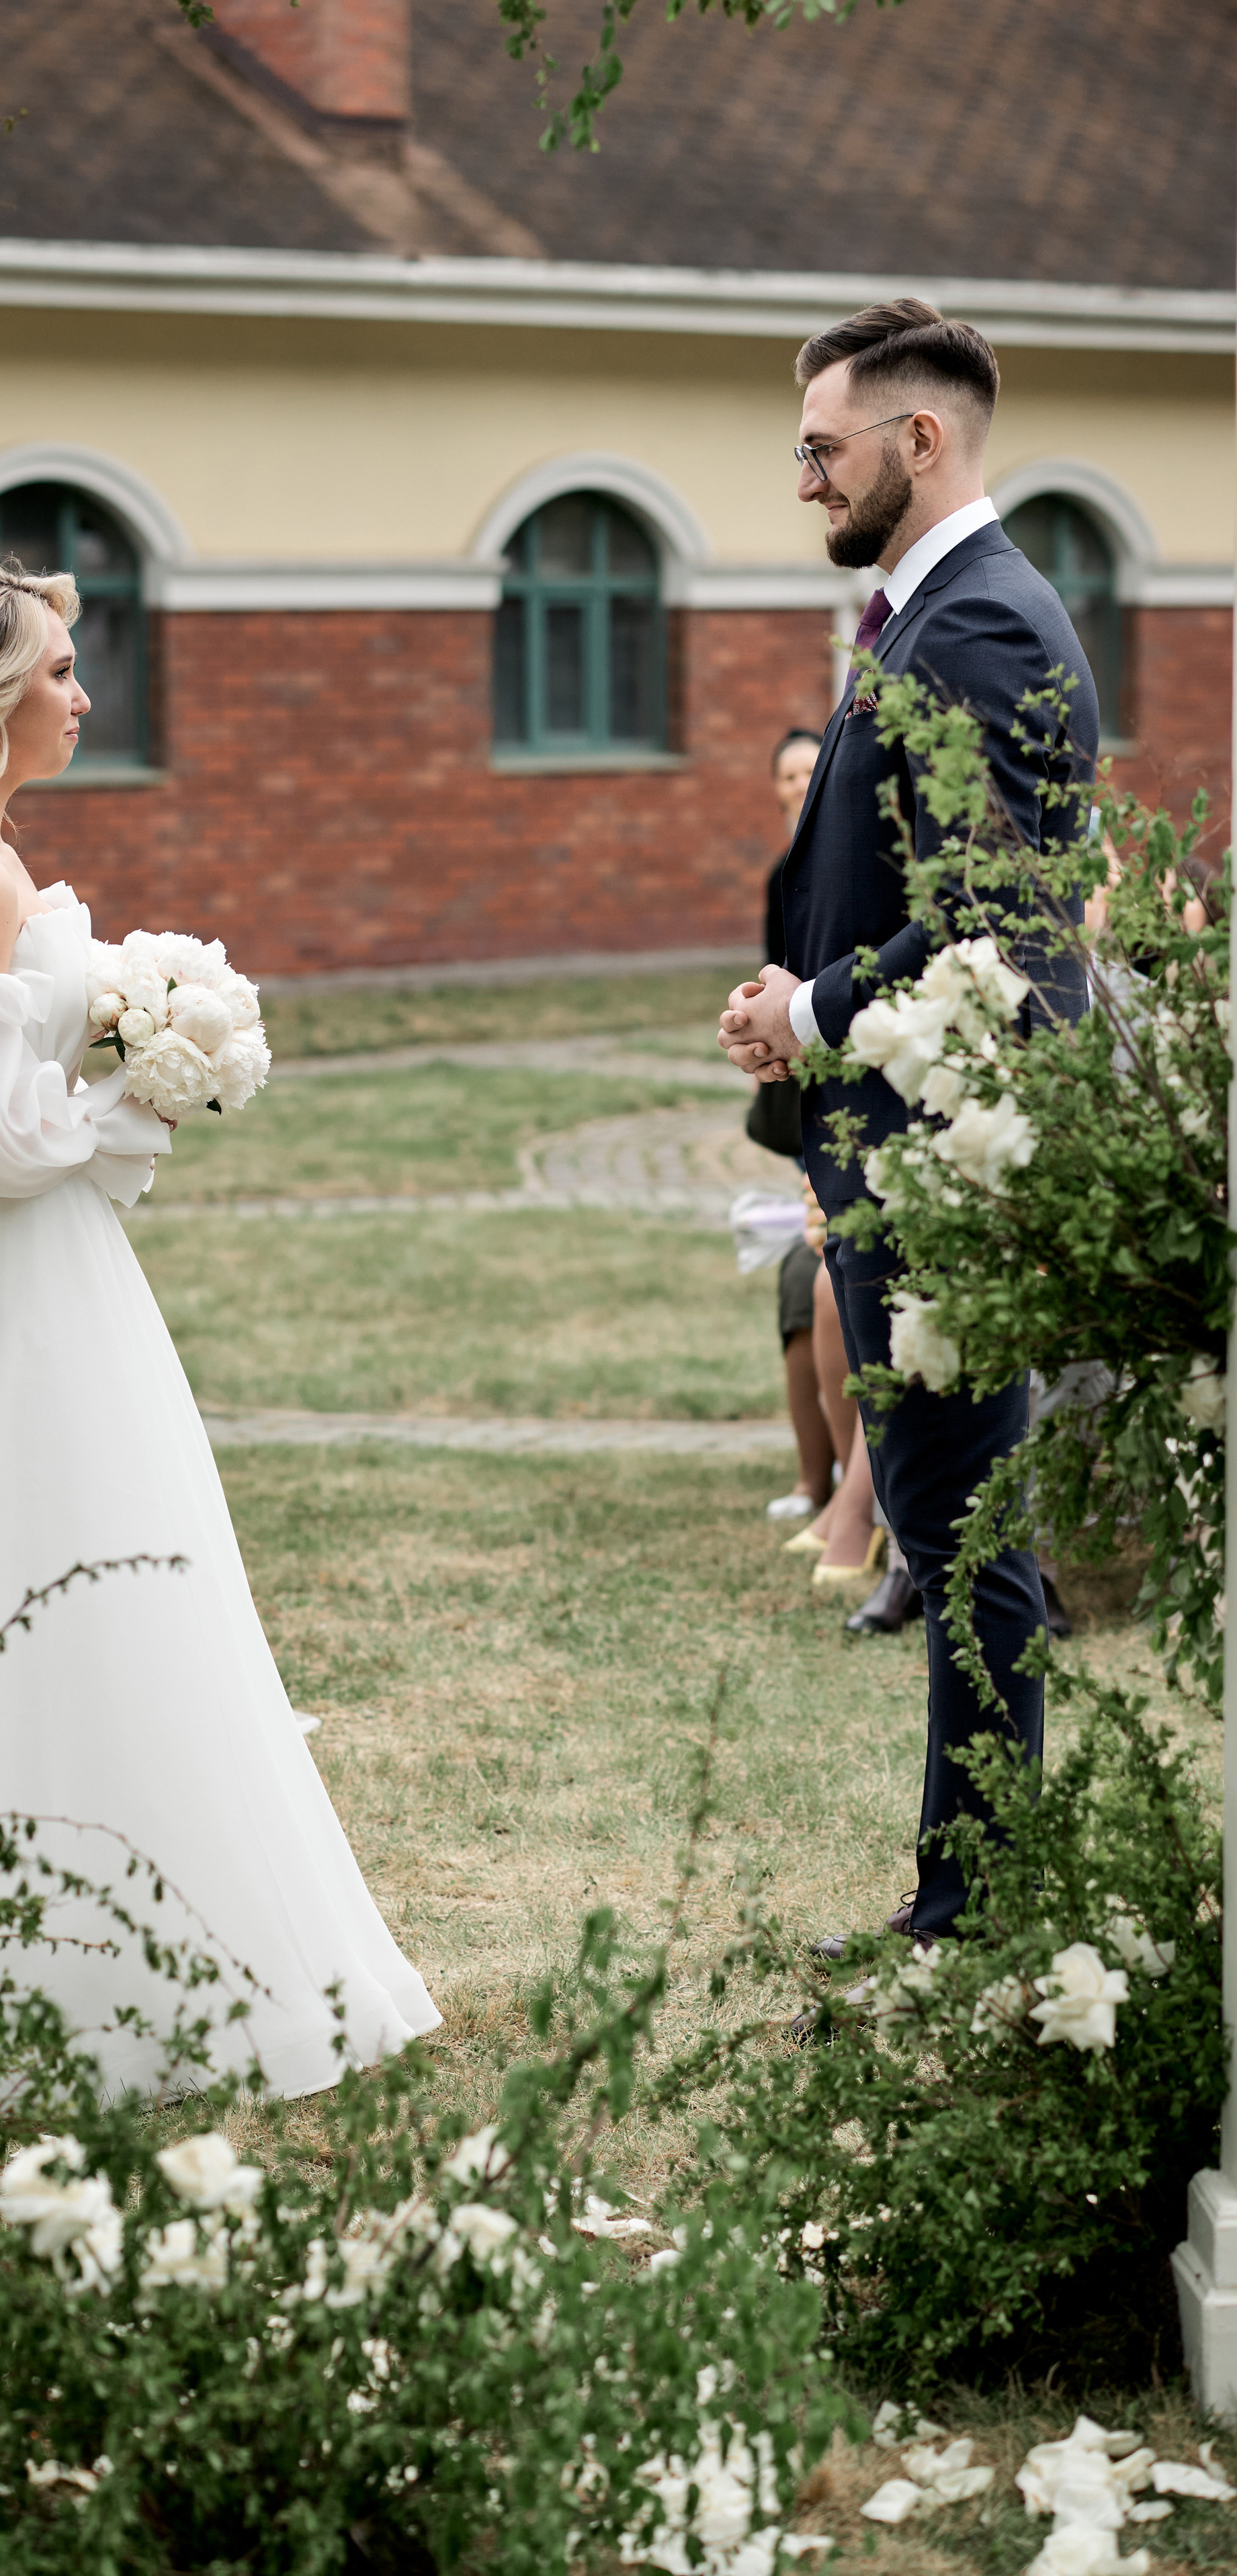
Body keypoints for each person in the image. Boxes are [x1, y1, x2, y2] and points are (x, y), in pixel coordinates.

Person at [0, 559, 439, 2099]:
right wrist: (141, 1082)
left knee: (42, 1574)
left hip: (26, 1276)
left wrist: (130, 1045)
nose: (83, 693)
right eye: (58, 670)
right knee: (41, 1568)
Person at [717, 298, 1095, 1948]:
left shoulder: (981, 627)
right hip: (887, 1131)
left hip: (945, 1151)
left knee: (961, 1535)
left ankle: (980, 1898)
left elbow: (1000, 933)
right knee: (947, 1528)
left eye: (822, 447)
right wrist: (788, 991)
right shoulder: (923, 613)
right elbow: (897, 880)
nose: (804, 479)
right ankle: (969, 1884)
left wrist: (808, 1012)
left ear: (915, 440)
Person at [759, 729, 836, 1525]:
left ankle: (847, 1481)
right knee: (804, 1262)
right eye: (789, 774)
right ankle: (818, 1477)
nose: (801, 783)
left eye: (811, 769)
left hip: (840, 1048)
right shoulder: (781, 876)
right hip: (800, 1057)